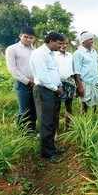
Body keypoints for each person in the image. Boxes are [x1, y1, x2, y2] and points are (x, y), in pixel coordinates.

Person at [30, 32, 64, 161]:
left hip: (53, 90)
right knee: (46, 122)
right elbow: (43, 77)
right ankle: (47, 153)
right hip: (44, 90)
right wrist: (56, 88)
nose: (60, 46)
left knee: (53, 120)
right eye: (59, 43)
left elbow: (54, 72)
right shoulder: (39, 54)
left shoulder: (51, 54)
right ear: (50, 41)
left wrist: (59, 85)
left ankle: (52, 148)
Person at [5, 26, 37, 133]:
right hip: (23, 83)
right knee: (25, 109)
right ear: (20, 36)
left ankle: (31, 130)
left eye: (31, 38)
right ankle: (24, 133)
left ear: (34, 39)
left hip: (36, 83)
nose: (28, 39)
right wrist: (27, 81)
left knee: (34, 108)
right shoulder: (12, 49)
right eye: (25, 37)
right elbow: (12, 69)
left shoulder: (35, 50)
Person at [73, 31, 98, 113]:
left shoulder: (94, 51)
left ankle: (94, 119)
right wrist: (80, 86)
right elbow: (76, 72)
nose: (92, 41)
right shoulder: (78, 53)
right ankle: (84, 122)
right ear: (83, 41)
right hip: (85, 83)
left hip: (95, 82)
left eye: (92, 39)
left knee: (96, 102)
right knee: (85, 103)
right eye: (90, 39)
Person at [54, 37, 76, 129]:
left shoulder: (70, 55)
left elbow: (74, 70)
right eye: (61, 43)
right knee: (56, 108)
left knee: (69, 106)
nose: (64, 46)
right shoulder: (53, 55)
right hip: (58, 83)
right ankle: (55, 130)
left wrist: (77, 84)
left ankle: (68, 127)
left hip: (69, 82)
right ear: (57, 43)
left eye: (66, 44)